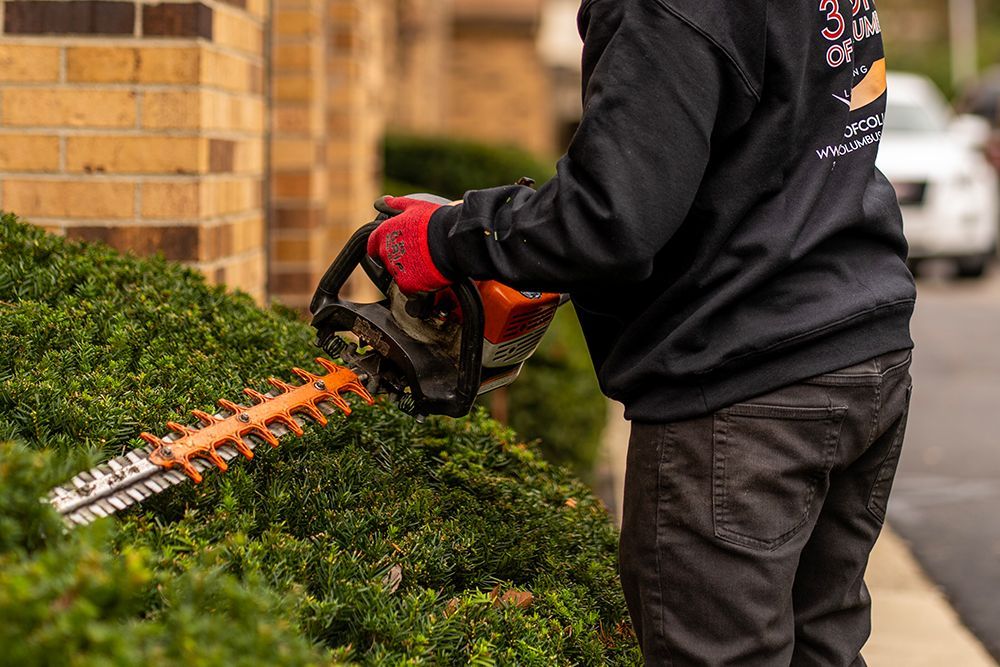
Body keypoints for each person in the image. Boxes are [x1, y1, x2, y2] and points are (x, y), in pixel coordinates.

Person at [368, 0, 915, 664]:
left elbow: (611, 221)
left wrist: (450, 237)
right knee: (821, 647)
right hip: (863, 354)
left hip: (744, 389)